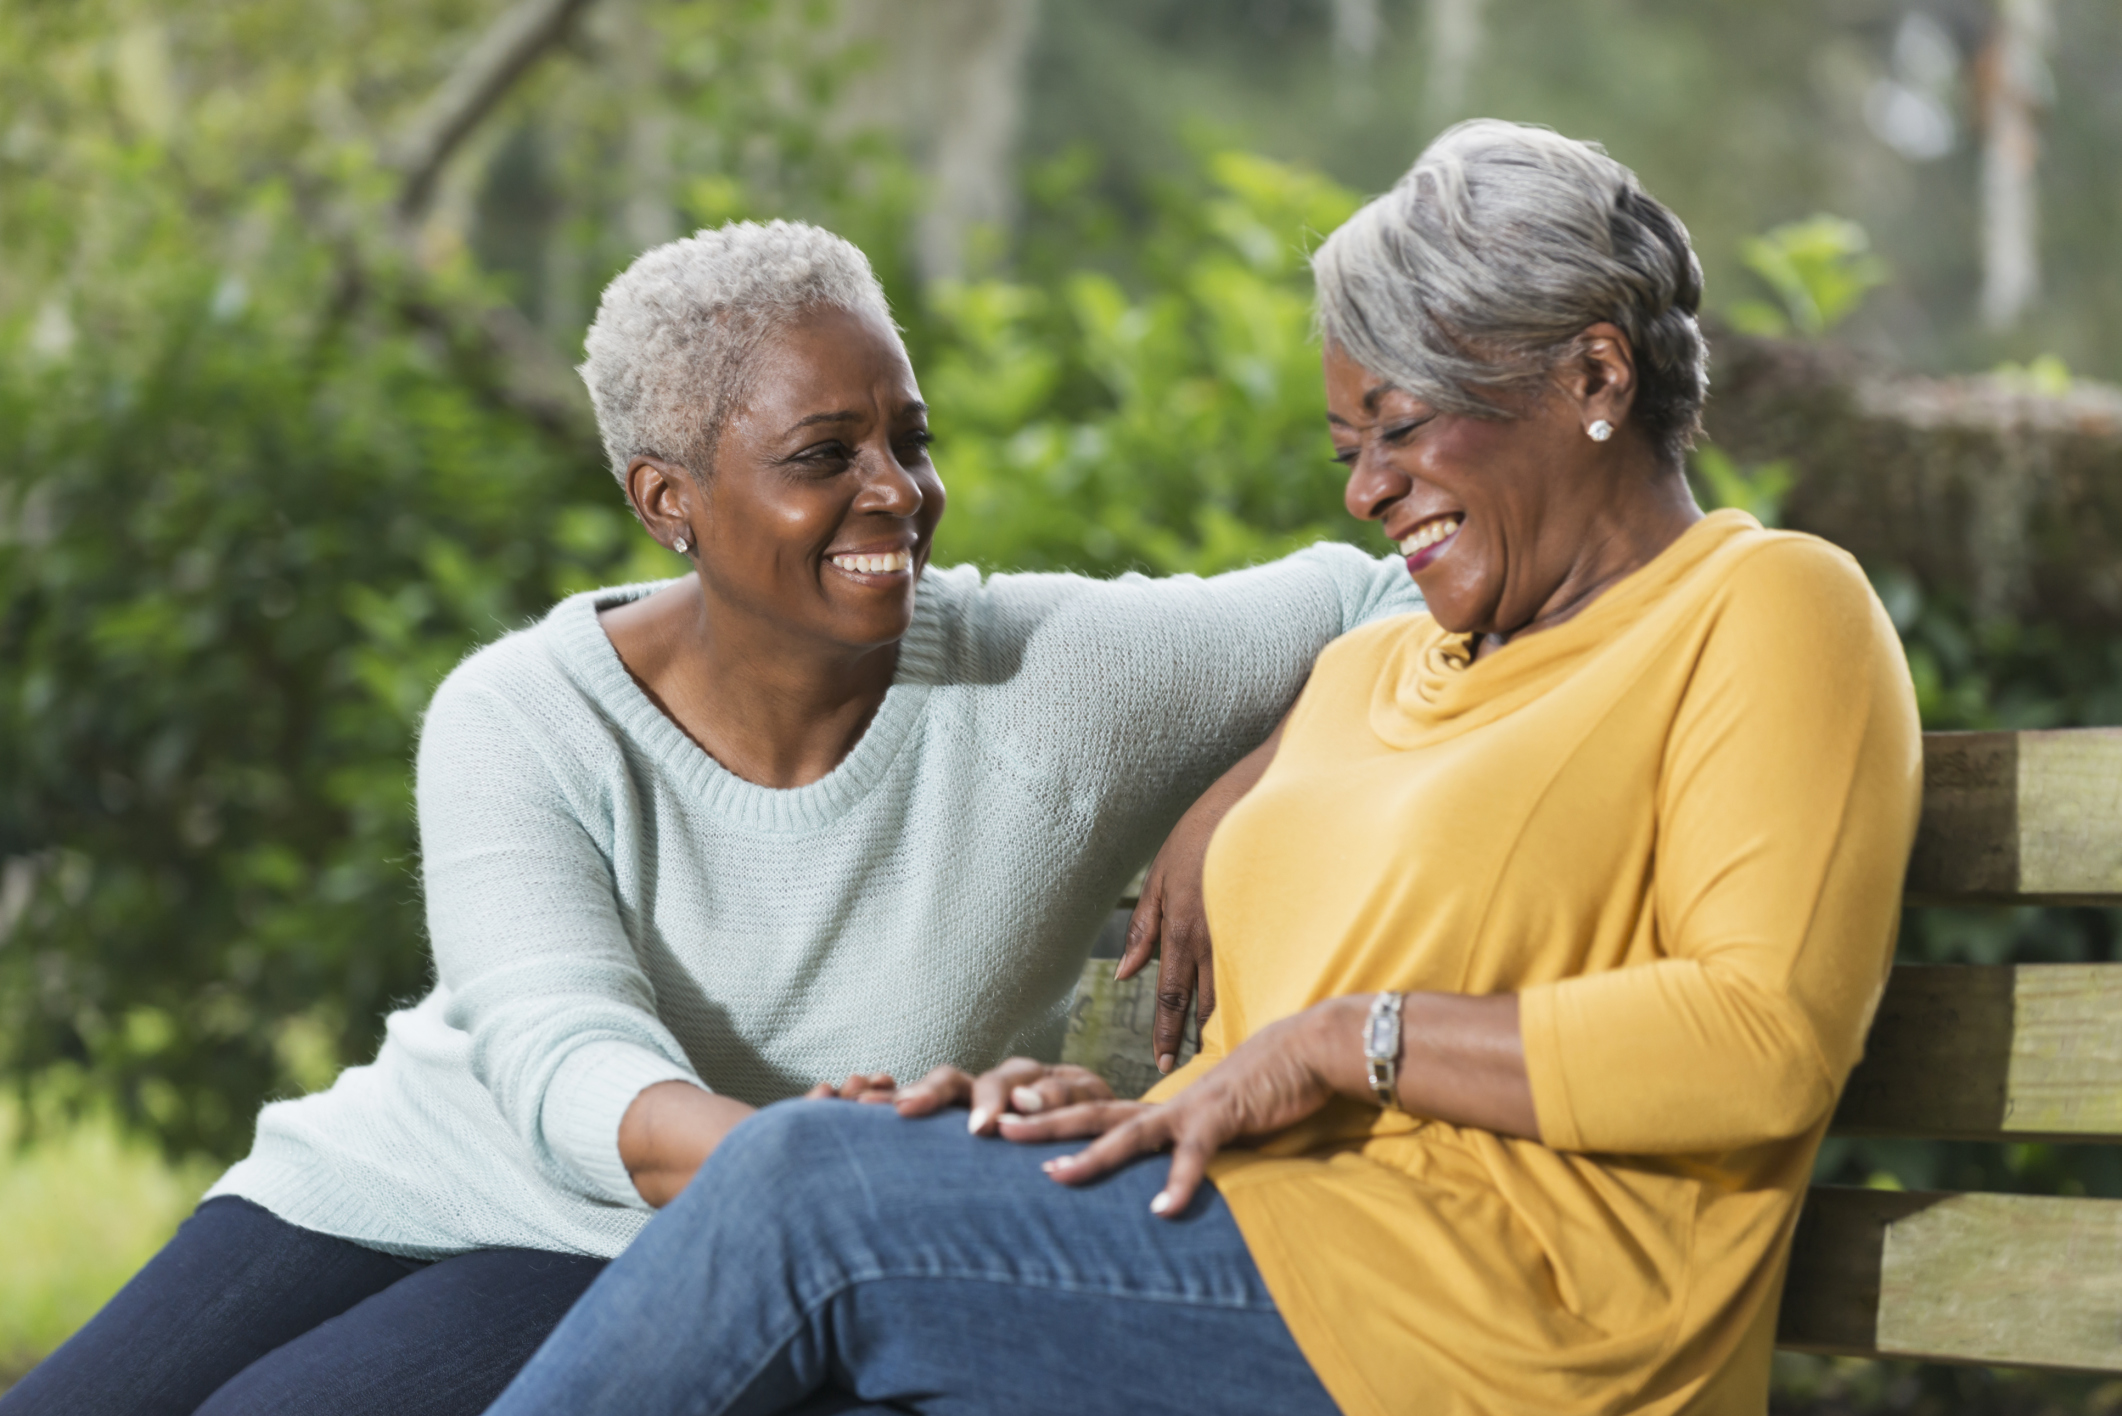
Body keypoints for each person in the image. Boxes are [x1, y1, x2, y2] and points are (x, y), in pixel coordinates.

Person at [483, 121, 1924, 1416]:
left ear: (1592, 373)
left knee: (807, 1187)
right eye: (1347, 445)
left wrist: (1328, 1040)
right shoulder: (1372, 670)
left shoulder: (1761, 609)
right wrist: (1127, 1099)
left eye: (1403, 427)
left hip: (1504, 1344)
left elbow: (1760, 1043)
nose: (1365, 490)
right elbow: (1283, 1064)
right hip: (1246, 1263)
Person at [0, 222, 1422, 1416]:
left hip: (657, 1249)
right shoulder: (523, 714)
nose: (899, 494)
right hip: (425, 1167)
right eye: (824, 454)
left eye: (907, 441)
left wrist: (1242, 787)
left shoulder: (1045, 675)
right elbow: (565, 1061)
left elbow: (1386, 594)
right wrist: (825, 1171)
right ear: (666, 498)